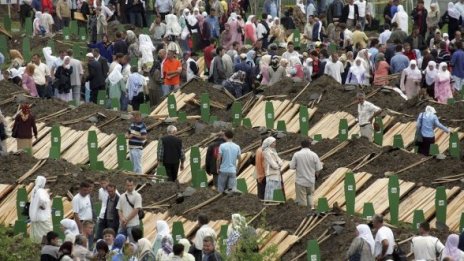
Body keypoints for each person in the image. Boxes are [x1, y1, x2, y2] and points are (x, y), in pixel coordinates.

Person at [289, 139, 323, 208]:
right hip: (311, 180)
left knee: (302, 201)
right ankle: (311, 210)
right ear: (310, 145)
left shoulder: (297, 155)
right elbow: (319, 168)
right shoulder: (314, 155)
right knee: (310, 196)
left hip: (300, 181)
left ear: (301, 145)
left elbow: (292, 167)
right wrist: (316, 176)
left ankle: (303, 213)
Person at [117, 178, 142, 243]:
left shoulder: (137, 196)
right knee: (119, 242)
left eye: (131, 185)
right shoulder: (122, 196)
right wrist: (122, 219)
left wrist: (126, 220)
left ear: (134, 185)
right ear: (125, 185)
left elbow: (136, 210)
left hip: (133, 224)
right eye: (128, 185)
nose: (129, 187)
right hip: (123, 225)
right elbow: (119, 209)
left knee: (133, 243)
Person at [29, 176, 52, 243]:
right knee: (46, 231)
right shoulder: (41, 191)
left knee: (37, 231)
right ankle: (44, 243)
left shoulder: (34, 190)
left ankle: (36, 243)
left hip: (35, 215)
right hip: (42, 216)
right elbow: (43, 201)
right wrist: (43, 206)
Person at [262, 137, 283, 201]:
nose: (275, 143)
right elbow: (272, 163)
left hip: (276, 173)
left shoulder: (274, 151)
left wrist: (279, 164)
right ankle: (270, 202)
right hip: (271, 173)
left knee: (276, 189)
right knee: (271, 188)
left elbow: (280, 161)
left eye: (275, 142)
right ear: (270, 143)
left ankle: (275, 202)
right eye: (273, 142)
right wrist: (278, 166)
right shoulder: (266, 152)